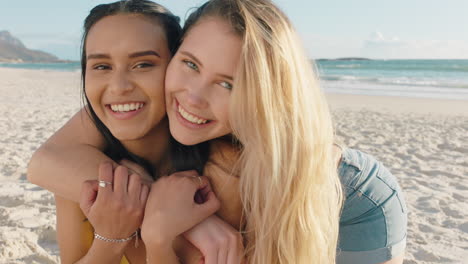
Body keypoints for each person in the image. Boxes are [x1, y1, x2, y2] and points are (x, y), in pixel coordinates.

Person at [28, 0, 407, 263]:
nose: (193, 97)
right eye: (191, 64)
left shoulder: (227, 168)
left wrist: (165, 224)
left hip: (347, 195)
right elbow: (43, 162)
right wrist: (152, 206)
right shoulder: (106, 129)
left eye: (228, 84)